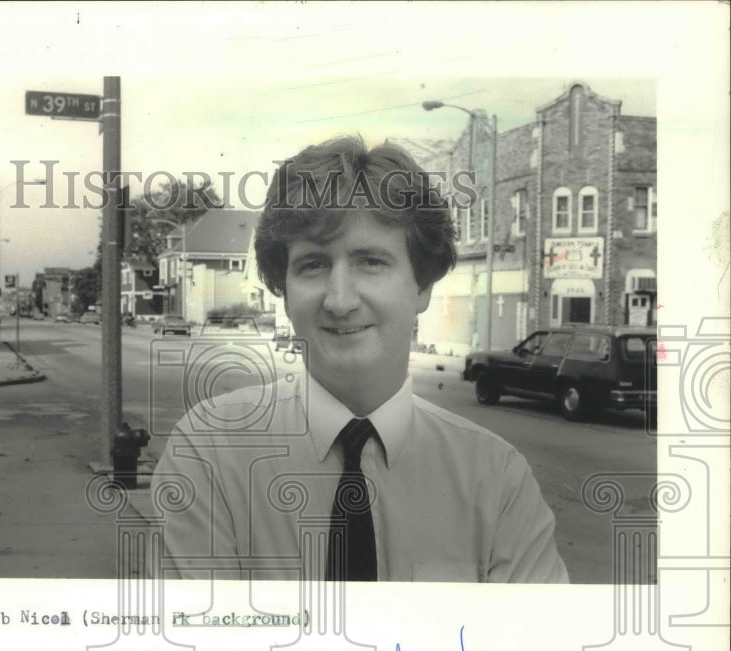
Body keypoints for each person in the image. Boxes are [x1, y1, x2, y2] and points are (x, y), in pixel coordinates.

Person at [149, 135, 569, 583]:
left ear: (422, 285)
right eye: (313, 265)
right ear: (284, 290)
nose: (340, 300)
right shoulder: (209, 452)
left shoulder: (497, 481)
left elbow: (533, 647)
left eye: (370, 261)